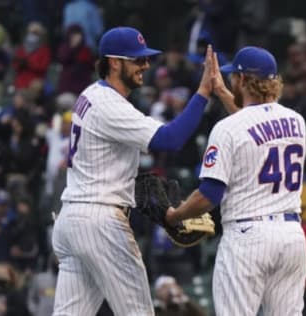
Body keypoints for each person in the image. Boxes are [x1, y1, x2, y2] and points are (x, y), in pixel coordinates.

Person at [51, 26, 217, 315]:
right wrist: (202, 93)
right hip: (99, 221)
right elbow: (171, 139)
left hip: (72, 220)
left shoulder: (90, 94)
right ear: (114, 62)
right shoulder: (109, 104)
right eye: (138, 59)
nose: (146, 65)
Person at [166, 46, 306, 315]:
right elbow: (254, 127)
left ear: (242, 80)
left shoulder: (227, 129)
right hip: (291, 237)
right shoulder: (296, 121)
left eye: (234, 77)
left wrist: (175, 215)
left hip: (248, 237)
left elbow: (209, 195)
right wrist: (221, 91)